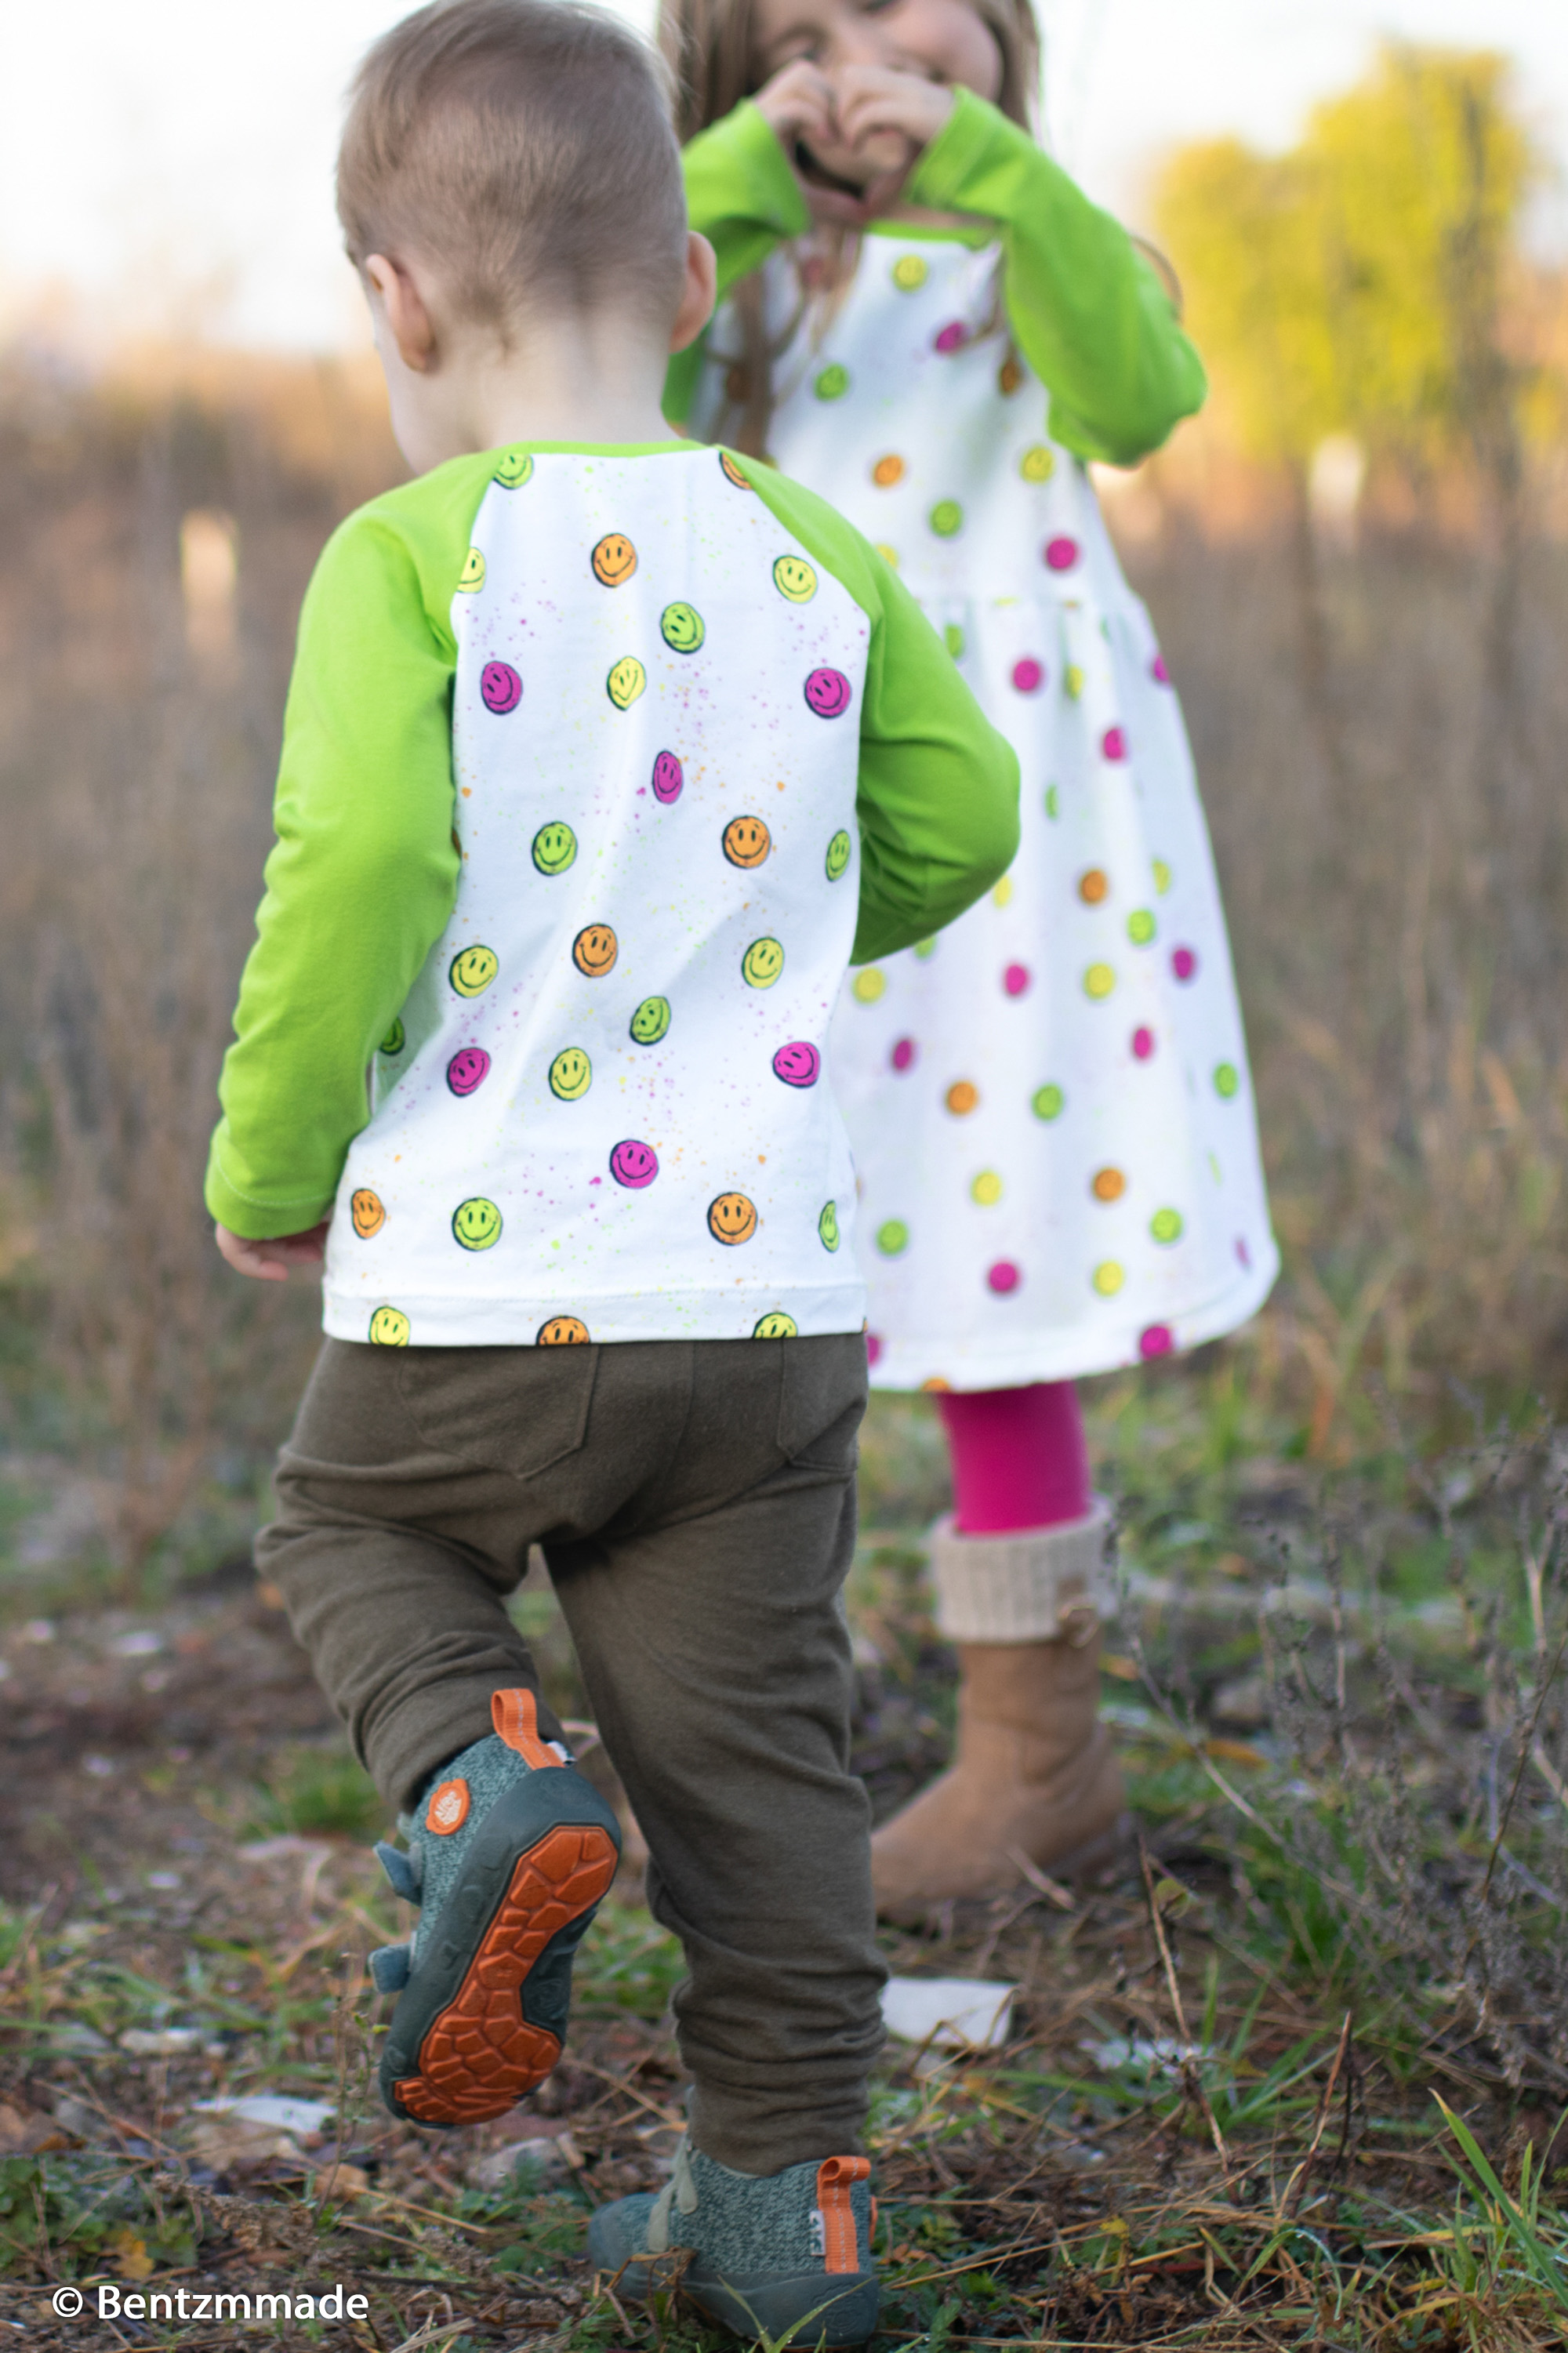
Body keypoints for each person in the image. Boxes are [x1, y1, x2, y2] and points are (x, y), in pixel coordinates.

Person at [204, 2, 1018, 2337]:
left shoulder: (409, 556)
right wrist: (748, 939)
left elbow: (352, 857)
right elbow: (964, 818)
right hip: (760, 1306)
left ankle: (479, 1788)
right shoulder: (805, 540)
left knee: (348, 1527)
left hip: (480, 1287)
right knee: (763, 1780)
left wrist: (273, 1159)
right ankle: (788, 2221)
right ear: (688, 288)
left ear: (395, 299)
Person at [660, 0, 1278, 1915]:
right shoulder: (711, 271)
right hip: (777, 795)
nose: (868, 60)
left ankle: (1039, 1752)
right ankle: (742, 1729)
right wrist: (736, 182)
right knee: (756, 1253)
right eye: (807, 31)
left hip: (1010, 820)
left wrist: (999, 177)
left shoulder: (1049, 247)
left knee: (990, 1221)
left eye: (910, 17)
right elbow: (588, 382)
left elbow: (1137, 406)